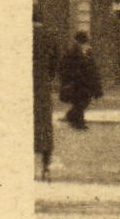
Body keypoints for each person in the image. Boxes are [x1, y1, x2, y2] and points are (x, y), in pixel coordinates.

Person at [58, 31, 103, 131]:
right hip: (77, 83)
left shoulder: (87, 51)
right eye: (84, 42)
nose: (85, 44)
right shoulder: (72, 52)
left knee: (83, 102)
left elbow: (93, 67)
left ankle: (73, 118)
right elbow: (65, 67)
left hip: (86, 83)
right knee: (80, 102)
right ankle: (78, 122)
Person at [33, 10, 59, 180]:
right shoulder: (50, 37)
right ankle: (46, 166)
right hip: (43, 87)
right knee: (44, 125)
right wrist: (47, 78)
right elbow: (54, 64)